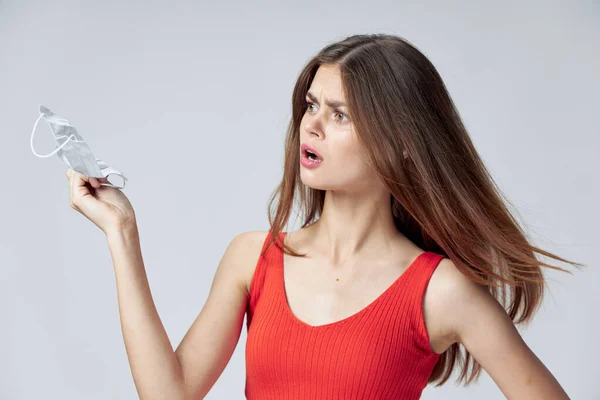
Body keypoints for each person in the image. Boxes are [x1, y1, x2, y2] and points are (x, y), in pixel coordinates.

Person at [65, 34, 582, 399]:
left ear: (401, 142)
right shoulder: (254, 258)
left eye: (340, 115)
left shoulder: (439, 291)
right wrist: (122, 233)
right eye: (311, 106)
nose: (311, 126)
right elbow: (168, 395)